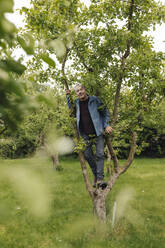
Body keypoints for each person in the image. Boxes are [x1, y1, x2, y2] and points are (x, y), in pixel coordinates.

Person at [66, 84, 112, 189]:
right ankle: (96, 175)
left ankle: (100, 179)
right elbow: (71, 111)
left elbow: (105, 112)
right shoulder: (77, 102)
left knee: (100, 154)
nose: (80, 92)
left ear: (85, 89)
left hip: (98, 131)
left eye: (81, 89)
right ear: (76, 94)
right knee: (87, 155)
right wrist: (68, 97)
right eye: (77, 91)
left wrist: (106, 125)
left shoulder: (95, 100)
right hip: (85, 133)